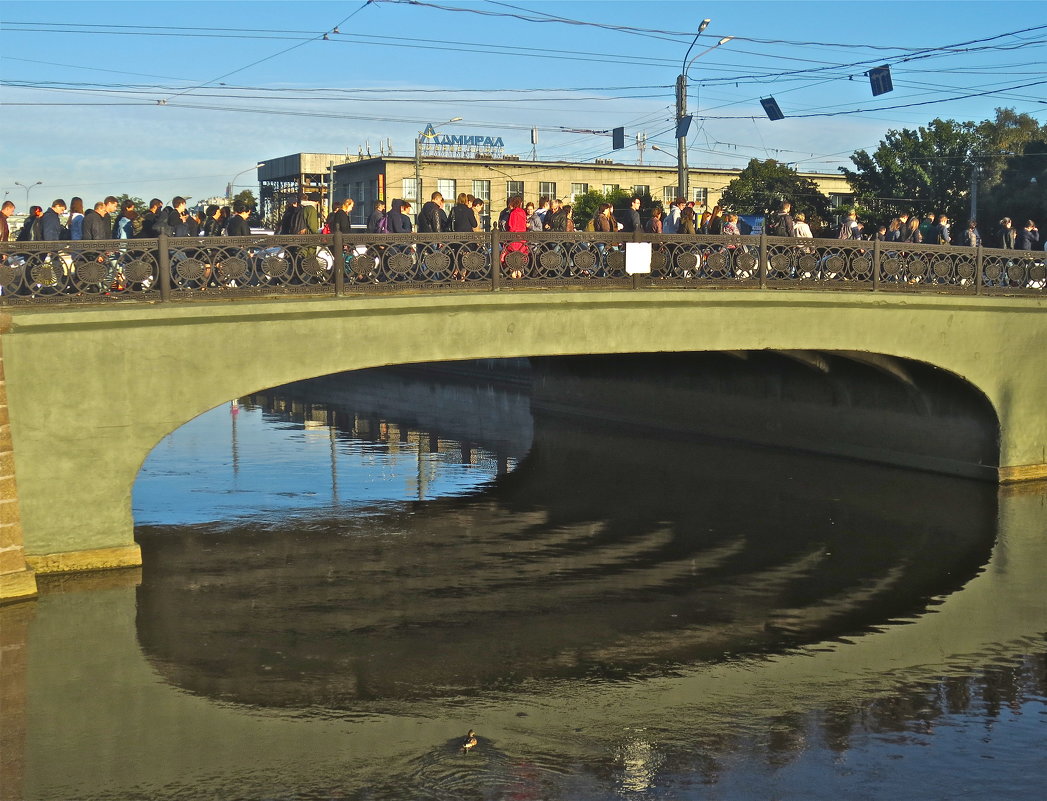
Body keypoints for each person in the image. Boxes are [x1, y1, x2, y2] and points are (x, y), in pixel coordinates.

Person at [501, 195, 529, 278]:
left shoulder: (513, 212)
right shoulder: (523, 212)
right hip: (522, 237)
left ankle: (513, 274)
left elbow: (511, 225)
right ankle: (519, 273)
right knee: (520, 255)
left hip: (514, 237)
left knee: (512, 256)